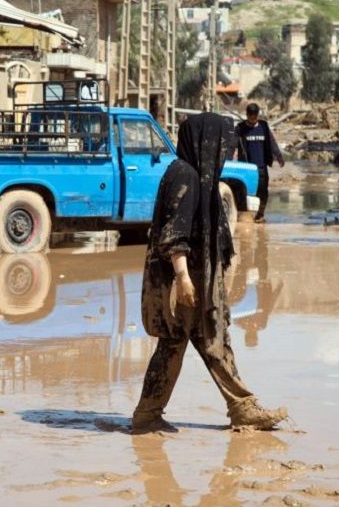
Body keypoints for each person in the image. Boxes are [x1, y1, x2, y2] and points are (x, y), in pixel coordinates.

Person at [132, 112, 288, 434]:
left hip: (197, 277)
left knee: (203, 342)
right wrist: (183, 278)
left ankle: (156, 413)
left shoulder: (196, 175)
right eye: (221, 144)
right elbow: (175, 233)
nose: (225, 152)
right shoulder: (185, 175)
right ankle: (235, 408)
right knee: (195, 342)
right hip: (186, 281)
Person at [235, 103, 285, 223]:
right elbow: (232, 143)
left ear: (257, 115)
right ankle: (246, 216)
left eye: (255, 117)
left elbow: (271, 142)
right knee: (246, 192)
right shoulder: (240, 128)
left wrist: (278, 156)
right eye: (250, 117)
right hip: (246, 168)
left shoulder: (263, 126)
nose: (252, 120)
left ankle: (260, 215)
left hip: (262, 166)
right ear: (247, 115)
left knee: (263, 191)